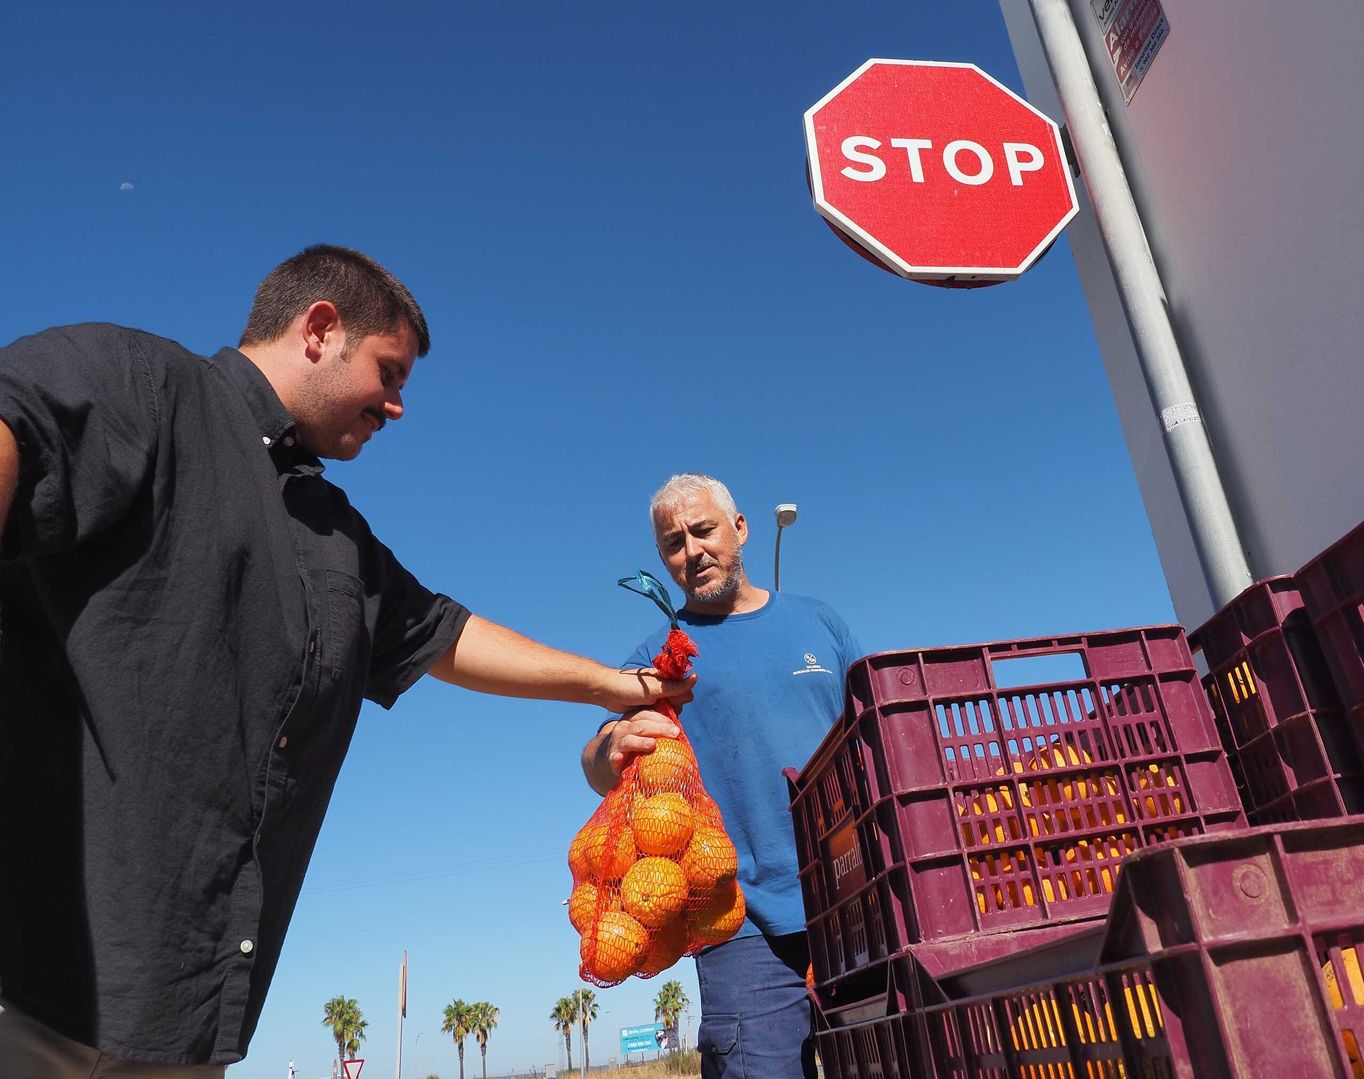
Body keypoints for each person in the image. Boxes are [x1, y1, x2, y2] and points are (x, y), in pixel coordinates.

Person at [0, 245, 690, 1078]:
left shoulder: (335, 535)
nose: (397, 406)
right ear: (321, 329)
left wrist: (622, 685)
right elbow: (18, 424)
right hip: (30, 988)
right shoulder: (142, 382)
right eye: (389, 373)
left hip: (182, 1017)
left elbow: (446, 634)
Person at [581, 473, 862, 1079]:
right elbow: (595, 760)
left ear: (740, 529)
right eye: (673, 544)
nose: (692, 552)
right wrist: (612, 749)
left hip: (855, 899)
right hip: (738, 922)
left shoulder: (820, 624)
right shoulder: (662, 655)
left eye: (703, 530)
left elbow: (870, 737)